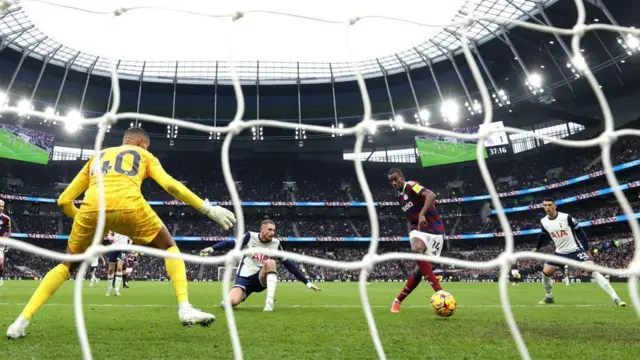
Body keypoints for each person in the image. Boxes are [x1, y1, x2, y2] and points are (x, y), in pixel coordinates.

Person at [7, 127, 236, 339]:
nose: (146, 149)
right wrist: (207, 209)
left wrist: (87, 219)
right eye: (145, 145)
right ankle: (185, 308)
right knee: (169, 248)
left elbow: (64, 200)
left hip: (91, 209)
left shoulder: (96, 157)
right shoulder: (143, 155)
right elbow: (171, 186)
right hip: (130, 206)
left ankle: (20, 322)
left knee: (66, 266)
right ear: (139, 142)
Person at [201, 219, 320, 312]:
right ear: (262, 229)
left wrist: (307, 282)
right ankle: (236, 297)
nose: (272, 233)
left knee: (271, 262)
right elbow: (230, 243)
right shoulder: (249, 237)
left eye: (274, 230)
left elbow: (288, 264)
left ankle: (269, 303)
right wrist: (212, 248)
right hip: (245, 278)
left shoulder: (276, 243)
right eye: (269, 229)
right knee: (229, 303)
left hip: (261, 278)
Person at [534, 198, 625, 307]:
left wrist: (586, 250)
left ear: (555, 206)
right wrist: (537, 248)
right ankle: (549, 297)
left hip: (575, 251)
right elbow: (543, 235)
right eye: (545, 205)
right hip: (560, 253)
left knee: (593, 271)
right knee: (545, 273)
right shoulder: (544, 221)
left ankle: (616, 298)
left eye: (549, 205)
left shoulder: (566, 217)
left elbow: (580, 232)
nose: (547, 207)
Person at [387, 168, 445, 313]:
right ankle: (440, 293)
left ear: (402, 177)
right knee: (416, 249)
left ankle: (397, 301)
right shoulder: (399, 198)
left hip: (435, 230)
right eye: (391, 181)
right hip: (418, 230)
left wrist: (422, 214)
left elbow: (431, 195)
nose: (394, 183)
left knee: (419, 271)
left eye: (396, 179)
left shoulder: (412, 185)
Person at [0, 199, 11, 287]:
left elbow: (9, 231)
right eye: (0, 206)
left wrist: (5, 238)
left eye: (2, 206)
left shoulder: (6, 219)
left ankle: (0, 278)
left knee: (0, 263)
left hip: (0, 244)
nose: (1, 208)